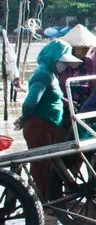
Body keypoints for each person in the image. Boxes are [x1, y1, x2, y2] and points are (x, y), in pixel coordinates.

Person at [16, 40, 80, 197]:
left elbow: (52, 96)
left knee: (49, 164)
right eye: (61, 61)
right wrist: (23, 119)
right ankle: (44, 201)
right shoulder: (42, 75)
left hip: (49, 125)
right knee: (41, 166)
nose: (63, 65)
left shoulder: (51, 74)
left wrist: (67, 103)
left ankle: (50, 198)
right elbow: (30, 103)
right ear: (53, 59)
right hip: (39, 126)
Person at [58, 24, 96, 106]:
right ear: (72, 47)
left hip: (86, 106)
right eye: (82, 47)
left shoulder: (89, 64)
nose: (86, 50)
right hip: (65, 105)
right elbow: (54, 89)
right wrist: (66, 102)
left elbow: (94, 86)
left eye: (87, 47)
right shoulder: (61, 65)